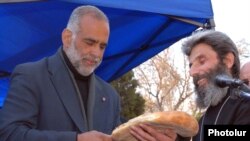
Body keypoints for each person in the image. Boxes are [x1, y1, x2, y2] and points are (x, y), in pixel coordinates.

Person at [0, 5, 176, 141]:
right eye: (90, 42)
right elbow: (8, 133)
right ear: (67, 37)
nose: (96, 53)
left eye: (102, 46)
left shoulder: (109, 95)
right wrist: (75, 139)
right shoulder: (31, 75)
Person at [181, 30, 250, 141]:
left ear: (227, 60)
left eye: (202, 61)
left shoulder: (246, 104)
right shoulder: (203, 119)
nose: (192, 72)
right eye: (191, 65)